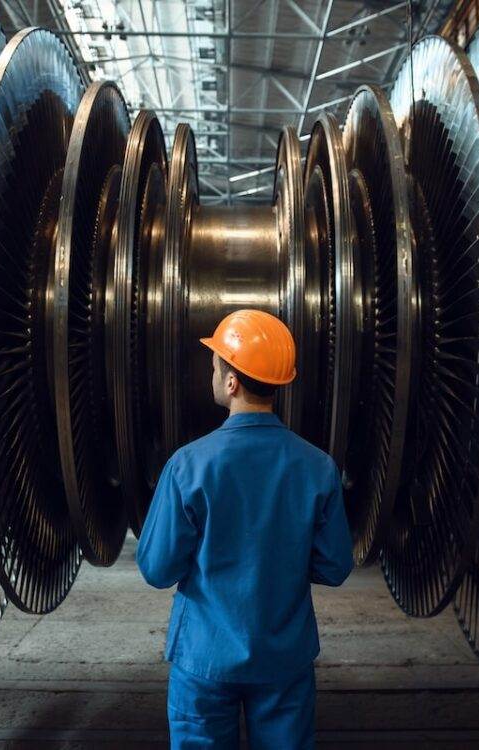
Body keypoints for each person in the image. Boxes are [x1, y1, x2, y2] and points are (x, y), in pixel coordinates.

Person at [136, 308, 355, 749]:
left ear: (232, 382)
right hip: (283, 659)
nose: (212, 372)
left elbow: (157, 569)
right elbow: (335, 566)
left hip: (205, 657)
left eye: (216, 365)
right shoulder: (318, 468)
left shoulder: (189, 466)